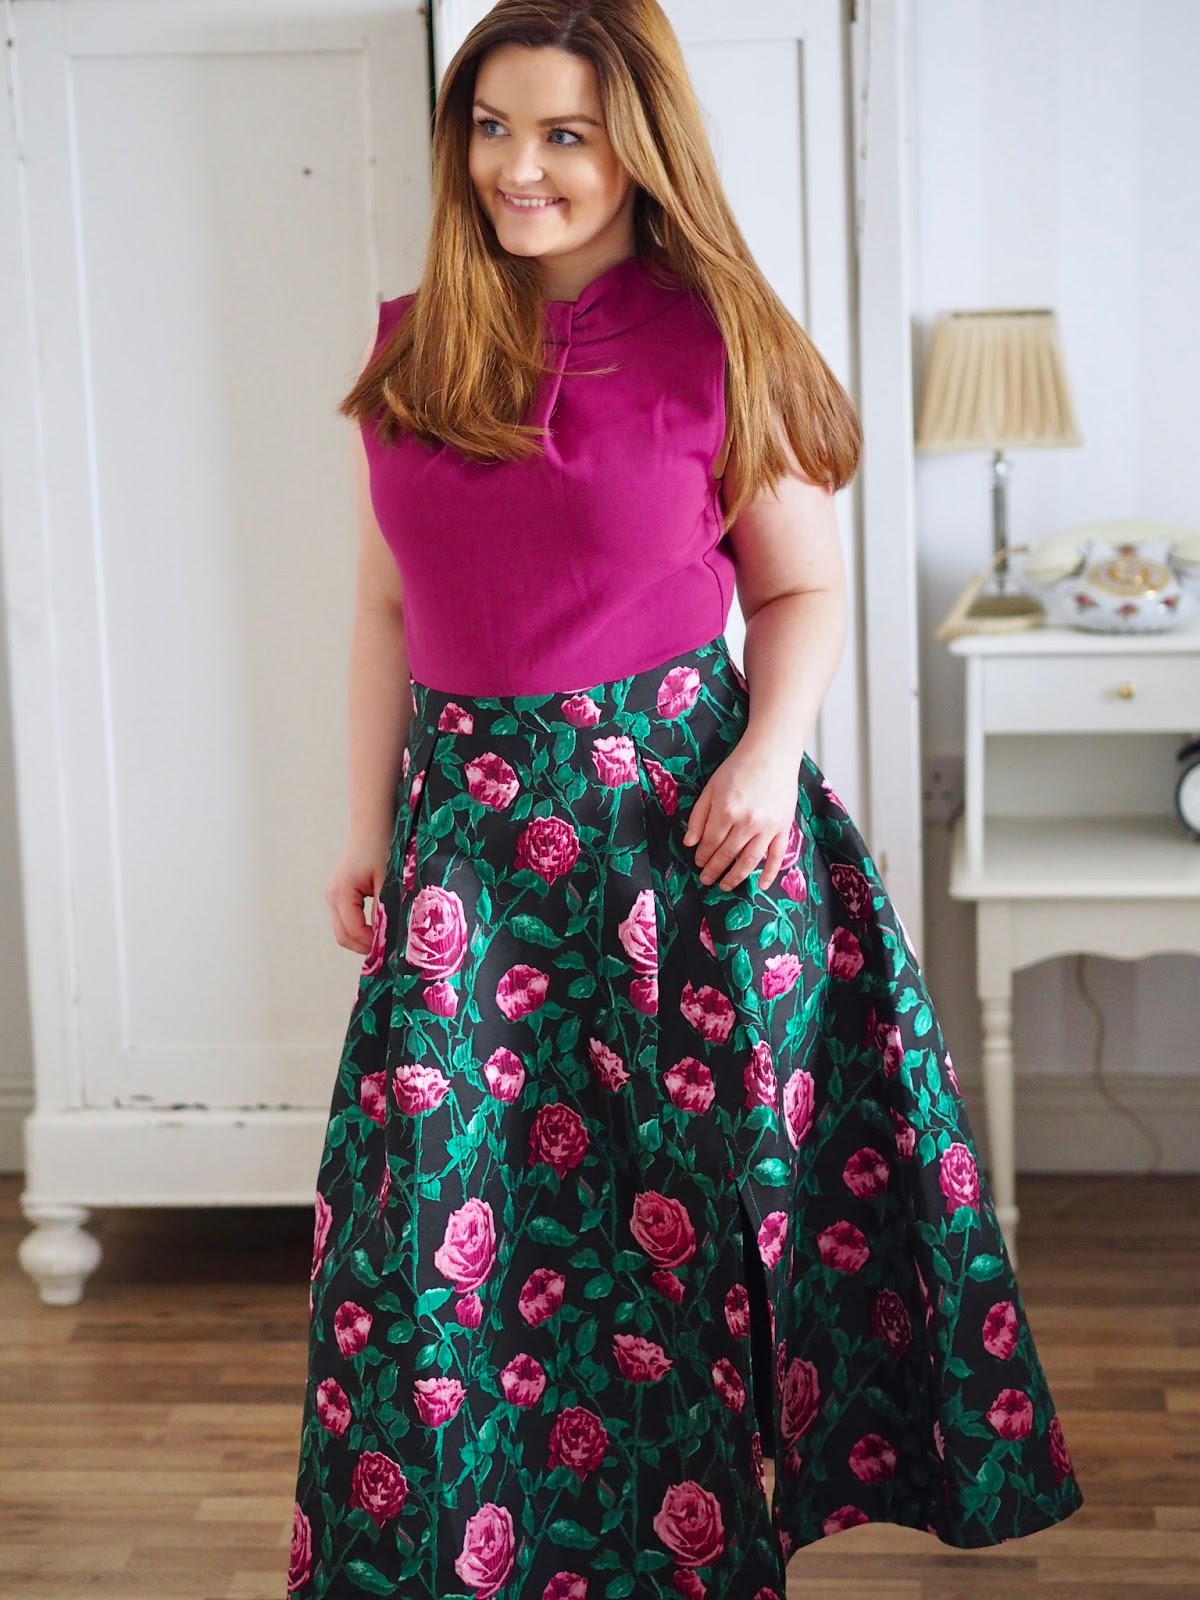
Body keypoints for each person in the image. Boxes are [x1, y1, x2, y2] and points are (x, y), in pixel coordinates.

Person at [286, 3, 1083, 1595]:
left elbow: (801, 590)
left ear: (637, 147)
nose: (518, 167)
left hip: (683, 849)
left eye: (563, 134)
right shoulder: (412, 345)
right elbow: (383, 610)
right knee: (451, 1245)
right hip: (471, 872)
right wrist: (368, 824)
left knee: (683, 1257)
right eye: (492, 128)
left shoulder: (718, 340)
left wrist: (770, 753)